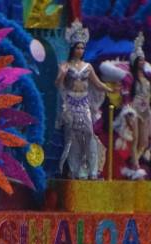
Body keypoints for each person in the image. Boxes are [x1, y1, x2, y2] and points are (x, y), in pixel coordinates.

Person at [55, 20, 112, 180]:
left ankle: (92, 168)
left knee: (88, 134)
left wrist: (108, 89)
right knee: (72, 137)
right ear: (72, 48)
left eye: (82, 48)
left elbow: (97, 83)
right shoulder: (64, 65)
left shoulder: (88, 66)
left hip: (84, 103)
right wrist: (62, 74)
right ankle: (75, 169)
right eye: (78, 47)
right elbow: (58, 84)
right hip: (70, 104)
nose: (80, 50)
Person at [129, 33, 151, 170]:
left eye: (143, 60)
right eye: (140, 60)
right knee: (135, 139)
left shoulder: (147, 77)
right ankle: (135, 165)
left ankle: (135, 161)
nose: (142, 62)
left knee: (144, 140)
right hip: (134, 111)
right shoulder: (130, 78)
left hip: (146, 111)